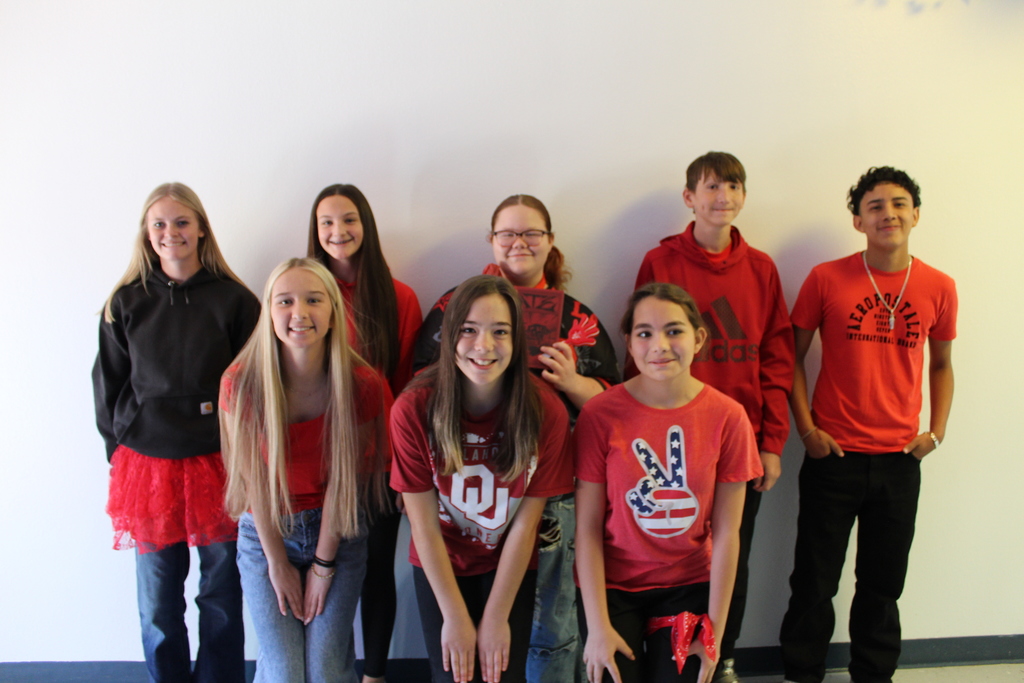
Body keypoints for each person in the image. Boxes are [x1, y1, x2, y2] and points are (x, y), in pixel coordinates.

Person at [414, 194, 619, 682]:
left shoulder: (578, 317)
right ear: (491, 240)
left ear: (550, 243)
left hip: (552, 487)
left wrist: (572, 384)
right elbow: (423, 389)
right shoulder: (452, 304)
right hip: (466, 488)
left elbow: (611, 409)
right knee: (475, 633)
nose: (519, 243)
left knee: (550, 621)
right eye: (508, 233)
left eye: (532, 233)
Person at [779, 167, 957, 683]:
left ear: (916, 215)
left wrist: (937, 431)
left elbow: (942, 364)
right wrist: (808, 431)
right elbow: (789, 358)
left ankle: (874, 675)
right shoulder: (826, 278)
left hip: (902, 460)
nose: (889, 214)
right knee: (814, 581)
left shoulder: (938, 286)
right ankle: (802, 673)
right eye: (875, 206)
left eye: (899, 204)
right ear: (858, 220)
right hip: (833, 456)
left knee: (883, 585)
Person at [632, 152, 794, 683]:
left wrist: (771, 441)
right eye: (710, 186)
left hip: (738, 439)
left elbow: (776, 355)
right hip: (669, 443)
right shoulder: (661, 262)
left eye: (732, 186)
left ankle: (719, 654)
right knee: (669, 552)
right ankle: (665, 654)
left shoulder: (763, 268)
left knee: (731, 555)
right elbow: (638, 344)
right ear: (690, 198)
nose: (722, 196)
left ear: (743, 197)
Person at [93, 182, 259, 683]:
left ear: (202, 228)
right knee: (160, 600)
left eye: (182, 222)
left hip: (218, 463)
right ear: (147, 234)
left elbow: (252, 386)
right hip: (149, 467)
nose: (171, 233)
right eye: (159, 224)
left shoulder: (235, 300)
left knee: (221, 595)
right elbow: (108, 383)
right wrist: (120, 442)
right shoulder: (125, 303)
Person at [575, 283, 762, 683]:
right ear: (629, 341)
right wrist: (596, 626)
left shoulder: (729, 417)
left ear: (698, 339)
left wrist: (715, 631)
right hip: (614, 587)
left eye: (674, 331)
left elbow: (729, 533)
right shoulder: (599, 414)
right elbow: (587, 530)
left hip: (689, 586)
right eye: (644, 333)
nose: (659, 344)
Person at [392, 275, 573, 683]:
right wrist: (455, 617)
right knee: (453, 676)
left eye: (500, 332)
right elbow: (421, 525)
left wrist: (495, 617)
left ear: (518, 339)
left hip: (507, 563)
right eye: (469, 330)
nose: (484, 346)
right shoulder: (413, 408)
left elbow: (526, 526)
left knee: (501, 675)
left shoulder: (546, 411)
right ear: (449, 335)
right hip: (440, 560)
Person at [220, 258, 392, 683]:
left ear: (333, 311)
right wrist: (277, 563)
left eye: (314, 300)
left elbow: (345, 484)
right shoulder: (240, 383)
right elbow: (252, 483)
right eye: (286, 301)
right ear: (269, 312)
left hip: (338, 533)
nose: (299, 313)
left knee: (326, 672)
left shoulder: (362, 384)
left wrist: (322, 565)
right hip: (266, 534)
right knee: (283, 673)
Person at [308, 184, 423, 683]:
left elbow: (407, 389)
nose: (338, 232)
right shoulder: (308, 295)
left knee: (376, 570)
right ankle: (320, 669)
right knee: (319, 568)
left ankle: (373, 674)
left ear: (366, 225)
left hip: (377, 463)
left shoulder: (398, 297)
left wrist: (401, 468)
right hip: (312, 461)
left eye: (348, 220)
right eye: (326, 223)